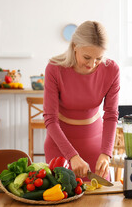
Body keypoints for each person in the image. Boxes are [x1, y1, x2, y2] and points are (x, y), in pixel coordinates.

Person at [43, 21, 120, 180]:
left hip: (96, 147)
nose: (92, 64)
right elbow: (50, 119)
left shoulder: (112, 70)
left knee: (101, 202)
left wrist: (106, 153)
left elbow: (111, 115)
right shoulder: (55, 68)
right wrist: (71, 156)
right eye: (87, 57)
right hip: (60, 147)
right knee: (61, 200)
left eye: (98, 58)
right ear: (75, 46)